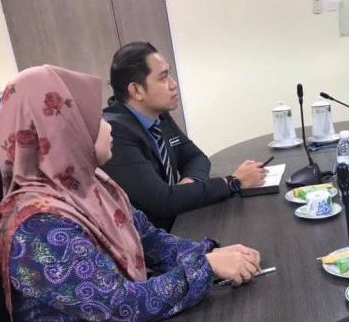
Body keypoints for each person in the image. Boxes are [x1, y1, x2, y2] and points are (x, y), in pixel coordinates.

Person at [0, 65, 262, 322]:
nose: (108, 126)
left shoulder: (91, 184)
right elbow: (120, 306)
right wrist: (207, 268)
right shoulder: (38, 226)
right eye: (94, 119)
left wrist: (209, 254)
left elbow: (150, 240)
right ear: (61, 129)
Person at [102, 41, 267, 231]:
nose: (173, 85)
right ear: (136, 90)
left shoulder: (159, 115)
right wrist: (233, 182)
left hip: (178, 220)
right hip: (152, 239)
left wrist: (187, 187)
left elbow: (196, 157)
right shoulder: (116, 132)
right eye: (163, 77)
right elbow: (163, 201)